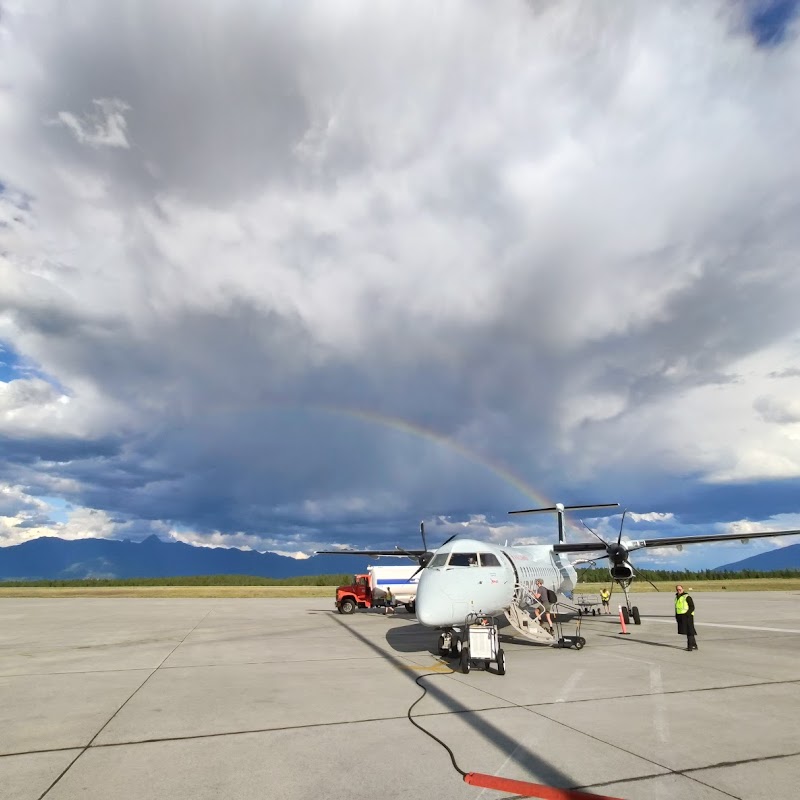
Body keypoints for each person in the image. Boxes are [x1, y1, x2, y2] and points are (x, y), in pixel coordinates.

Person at [675, 584, 697, 651]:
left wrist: (687, 614)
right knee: (688, 631)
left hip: (687, 616)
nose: (679, 591)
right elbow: (677, 608)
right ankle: (694, 645)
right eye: (677, 589)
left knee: (689, 631)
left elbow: (692, 607)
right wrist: (677, 616)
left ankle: (689, 647)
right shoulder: (677, 597)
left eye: (680, 589)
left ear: (683, 589)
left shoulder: (687, 597)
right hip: (680, 616)